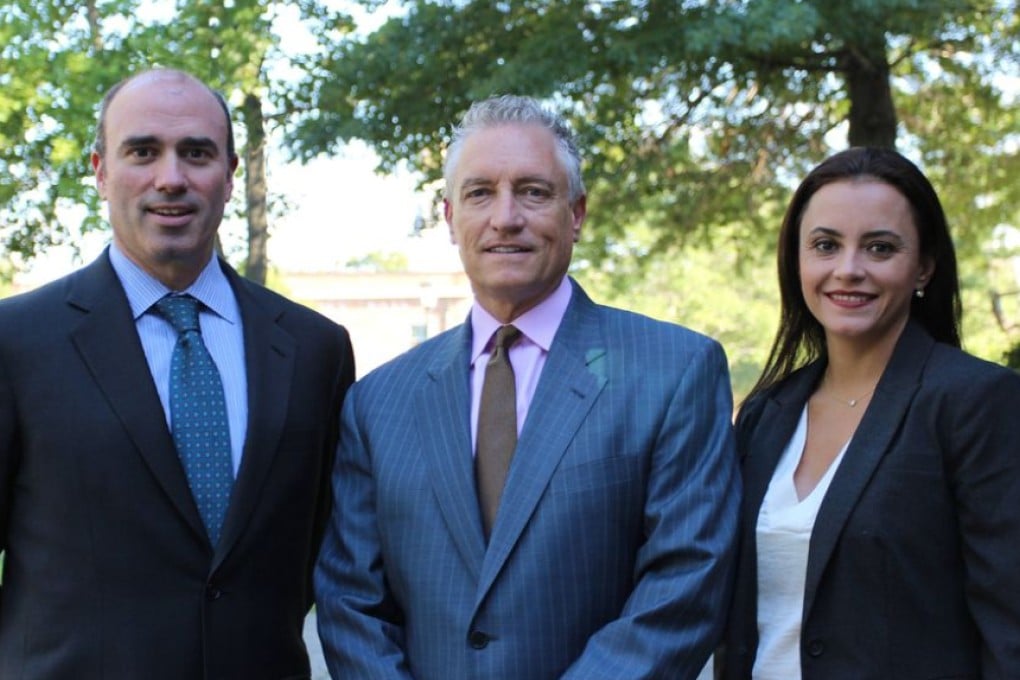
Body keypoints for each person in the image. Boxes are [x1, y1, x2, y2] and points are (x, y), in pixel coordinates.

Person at [314, 94, 740, 679]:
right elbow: (350, 603)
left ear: (577, 214)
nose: (505, 217)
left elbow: (683, 589)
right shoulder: (377, 403)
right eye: (480, 192)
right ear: (448, 218)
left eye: (534, 192)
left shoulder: (675, 371)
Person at [0, 68, 356, 678]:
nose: (171, 178)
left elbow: (319, 554)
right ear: (101, 171)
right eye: (143, 151)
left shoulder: (314, 349)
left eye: (196, 153)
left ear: (229, 175)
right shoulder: (16, 343)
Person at [718, 147, 1020, 678]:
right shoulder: (767, 413)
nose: (848, 269)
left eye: (879, 247)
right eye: (825, 245)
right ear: (798, 259)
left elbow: (1010, 628)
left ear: (923, 266)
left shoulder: (977, 403)